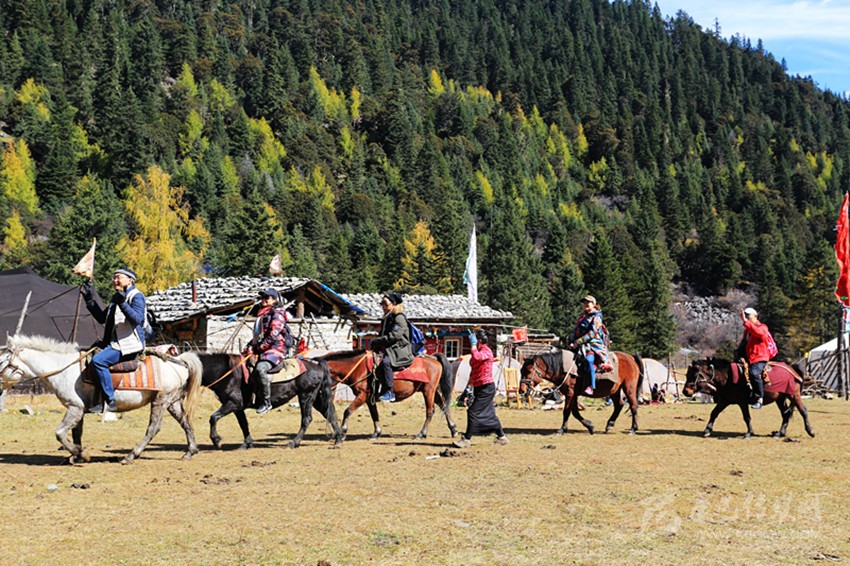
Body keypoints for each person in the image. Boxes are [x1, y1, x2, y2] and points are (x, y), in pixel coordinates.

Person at [80, 268, 147, 413]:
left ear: (130, 280)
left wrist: (122, 303)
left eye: (118, 277)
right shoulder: (116, 298)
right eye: (114, 278)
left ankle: (110, 402)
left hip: (130, 344)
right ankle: (94, 399)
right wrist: (89, 300)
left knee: (98, 361)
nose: (115, 280)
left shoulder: (136, 296)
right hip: (115, 343)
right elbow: (102, 318)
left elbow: (137, 319)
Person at [453, 329, 508, 448]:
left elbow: (477, 357)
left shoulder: (486, 351)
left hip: (487, 388)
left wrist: (473, 345)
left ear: (479, 341)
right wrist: (468, 388)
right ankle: (502, 437)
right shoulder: (477, 351)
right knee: (490, 414)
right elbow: (473, 370)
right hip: (478, 387)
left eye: (474, 340)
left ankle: (466, 439)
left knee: (473, 412)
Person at [244, 288, 290, 414]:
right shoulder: (263, 313)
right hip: (262, 348)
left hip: (275, 349)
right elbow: (260, 335)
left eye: (267, 298)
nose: (263, 300)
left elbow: (272, 336)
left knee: (260, 369)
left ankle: (266, 401)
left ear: (274, 299)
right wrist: (250, 345)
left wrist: (256, 348)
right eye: (262, 297)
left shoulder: (277, 314)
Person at [370, 292, 414, 403]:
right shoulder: (387, 318)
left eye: (385, 304)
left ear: (394, 303)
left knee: (385, 362)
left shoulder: (399, 318)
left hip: (399, 350)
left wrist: (377, 341)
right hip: (389, 348)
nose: (383, 306)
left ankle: (390, 391)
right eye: (382, 304)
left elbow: (395, 336)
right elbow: (383, 334)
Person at [568, 295, 610, 396]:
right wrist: (571, 341)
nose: (586, 304)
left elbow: (592, 333)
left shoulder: (596, 317)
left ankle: (591, 386)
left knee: (588, 360)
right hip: (580, 344)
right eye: (584, 302)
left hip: (593, 345)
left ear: (594, 304)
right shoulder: (582, 317)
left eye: (588, 302)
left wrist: (577, 342)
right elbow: (577, 331)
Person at [737, 307, 772, 409]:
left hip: (759, 357)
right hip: (749, 358)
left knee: (754, 373)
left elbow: (758, 333)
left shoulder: (762, 327)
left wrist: (745, 322)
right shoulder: (747, 331)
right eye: (745, 315)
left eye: (748, 315)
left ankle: (759, 399)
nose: (747, 317)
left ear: (756, 316)